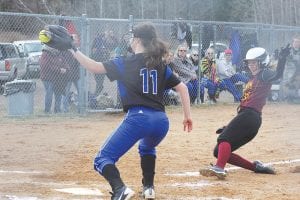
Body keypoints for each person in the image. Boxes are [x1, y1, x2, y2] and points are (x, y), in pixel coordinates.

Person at [41, 23, 193, 199]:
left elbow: (93, 67)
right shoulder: (160, 65)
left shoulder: (125, 62)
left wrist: (72, 49)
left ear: (137, 40)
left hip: (138, 119)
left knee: (102, 159)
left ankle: (120, 189)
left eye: (132, 37)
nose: (130, 39)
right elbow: (183, 88)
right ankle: (149, 188)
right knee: (147, 146)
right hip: (161, 121)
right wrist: (187, 117)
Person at [199, 45, 291, 179]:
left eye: (254, 62)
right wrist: (229, 127)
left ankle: (219, 168)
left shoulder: (264, 73)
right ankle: (256, 167)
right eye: (249, 63)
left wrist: (282, 59)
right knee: (218, 151)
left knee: (224, 139)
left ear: (262, 62)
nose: (251, 65)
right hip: (247, 116)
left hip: (251, 115)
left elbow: (278, 75)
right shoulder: (253, 78)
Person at [40, 45, 70, 113]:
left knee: (58, 94)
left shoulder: (58, 53)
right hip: (47, 78)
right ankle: (47, 111)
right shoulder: (45, 54)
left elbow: (64, 63)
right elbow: (46, 66)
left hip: (58, 78)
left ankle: (57, 110)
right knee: (49, 93)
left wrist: (66, 69)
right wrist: (59, 69)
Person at [281, 34, 300, 103]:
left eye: (298, 42)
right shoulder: (288, 50)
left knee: (296, 84)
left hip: (298, 72)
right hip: (289, 72)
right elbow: (284, 58)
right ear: (292, 43)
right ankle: (288, 99)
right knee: (287, 85)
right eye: (295, 42)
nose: (296, 43)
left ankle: (296, 98)